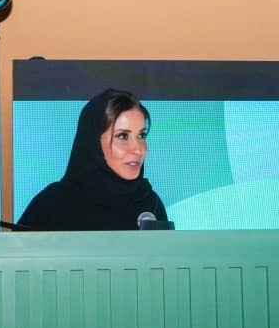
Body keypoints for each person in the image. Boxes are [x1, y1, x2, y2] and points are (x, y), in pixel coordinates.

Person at [17, 88, 168, 231]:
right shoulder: (54, 205)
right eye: (123, 136)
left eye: (141, 135)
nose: (139, 149)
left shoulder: (150, 204)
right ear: (93, 142)